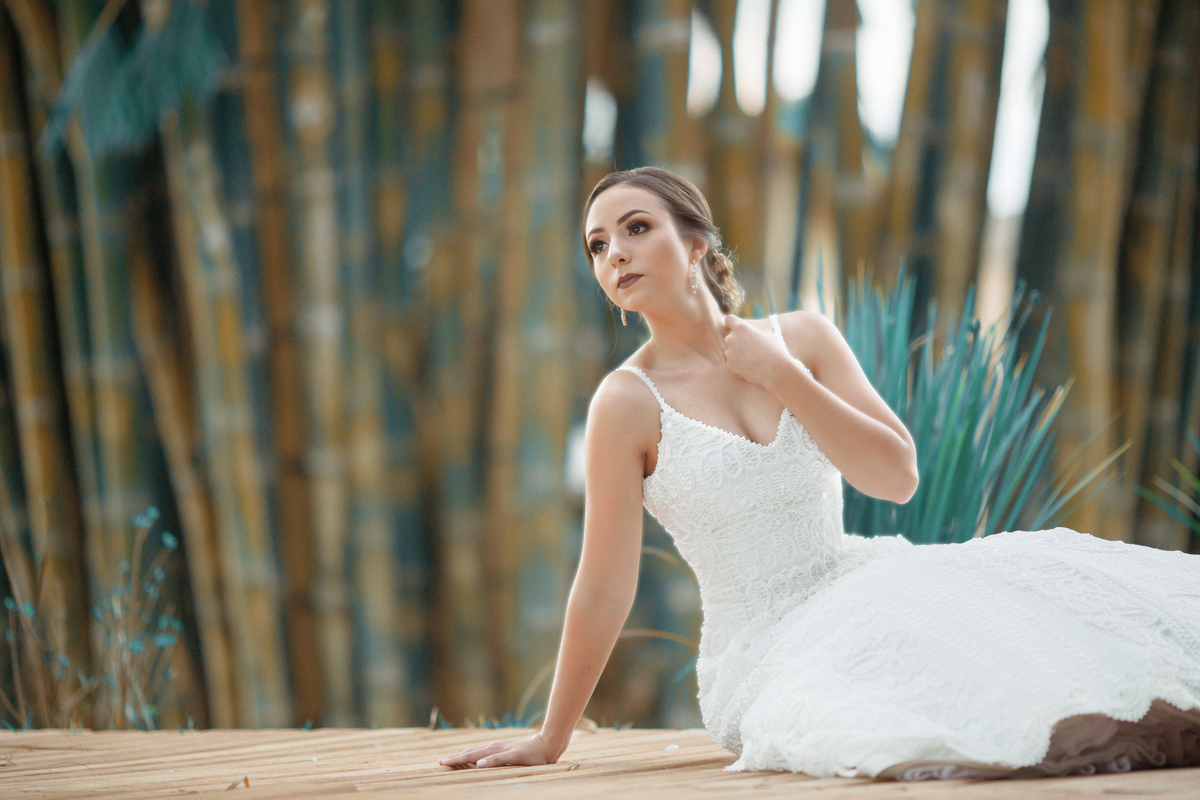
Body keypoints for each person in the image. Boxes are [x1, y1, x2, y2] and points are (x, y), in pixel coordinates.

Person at [440, 167, 1200, 780]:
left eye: (636, 229)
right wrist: (551, 737)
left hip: (860, 583)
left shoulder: (801, 338)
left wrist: (785, 378)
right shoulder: (625, 403)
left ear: (697, 241)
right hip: (761, 648)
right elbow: (605, 583)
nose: (616, 255)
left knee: (1027, 600)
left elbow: (897, 478)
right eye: (598, 246)